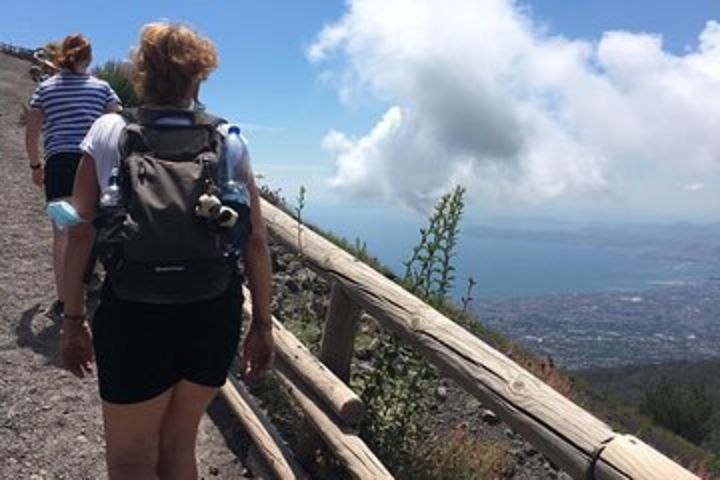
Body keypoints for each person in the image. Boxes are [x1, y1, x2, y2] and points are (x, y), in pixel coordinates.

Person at [61, 22, 274, 479]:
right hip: (212, 309)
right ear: (198, 77)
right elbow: (255, 238)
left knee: (132, 456)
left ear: (141, 74)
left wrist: (73, 320)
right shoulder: (228, 139)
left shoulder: (108, 131)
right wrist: (262, 325)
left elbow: (79, 233)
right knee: (180, 445)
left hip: (134, 314)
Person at [25, 33, 121, 319]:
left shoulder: (45, 88)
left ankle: (65, 299)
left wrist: (35, 166)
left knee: (63, 232)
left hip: (59, 164)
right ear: (89, 58)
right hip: (92, 162)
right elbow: (116, 125)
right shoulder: (103, 88)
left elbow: (31, 132)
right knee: (94, 225)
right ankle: (88, 282)